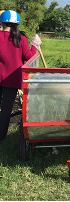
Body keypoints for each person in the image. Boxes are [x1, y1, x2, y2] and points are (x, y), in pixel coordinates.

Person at [0, 10, 41, 142]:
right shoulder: (20, 39)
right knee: (6, 109)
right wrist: (34, 45)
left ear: (1, 22)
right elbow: (29, 58)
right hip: (12, 79)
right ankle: (1, 137)